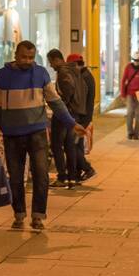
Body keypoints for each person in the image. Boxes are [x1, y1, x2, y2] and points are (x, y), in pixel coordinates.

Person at [0, 41, 83, 232]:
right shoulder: (2, 76)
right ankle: (19, 214)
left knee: (41, 175)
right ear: (15, 55)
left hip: (37, 134)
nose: (27, 61)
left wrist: (72, 124)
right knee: (15, 177)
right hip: (12, 135)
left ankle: (38, 216)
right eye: (23, 56)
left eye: (31, 57)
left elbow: (55, 102)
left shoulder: (41, 74)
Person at [47, 49, 85, 189]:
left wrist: (62, 105)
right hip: (73, 113)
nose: (51, 65)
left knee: (56, 145)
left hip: (64, 113)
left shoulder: (63, 72)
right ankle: (72, 177)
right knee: (70, 145)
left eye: (51, 62)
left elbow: (68, 91)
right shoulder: (73, 70)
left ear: (57, 59)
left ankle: (62, 177)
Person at [68, 53, 97, 182]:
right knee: (77, 145)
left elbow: (80, 99)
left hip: (82, 116)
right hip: (84, 115)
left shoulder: (83, 77)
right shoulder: (87, 75)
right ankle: (76, 173)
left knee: (72, 145)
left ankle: (87, 168)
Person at [120, 55, 139, 141]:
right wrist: (122, 94)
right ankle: (130, 132)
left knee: (138, 114)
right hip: (130, 93)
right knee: (129, 113)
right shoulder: (128, 67)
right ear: (133, 60)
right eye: (136, 60)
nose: (137, 62)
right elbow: (123, 80)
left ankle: (136, 134)